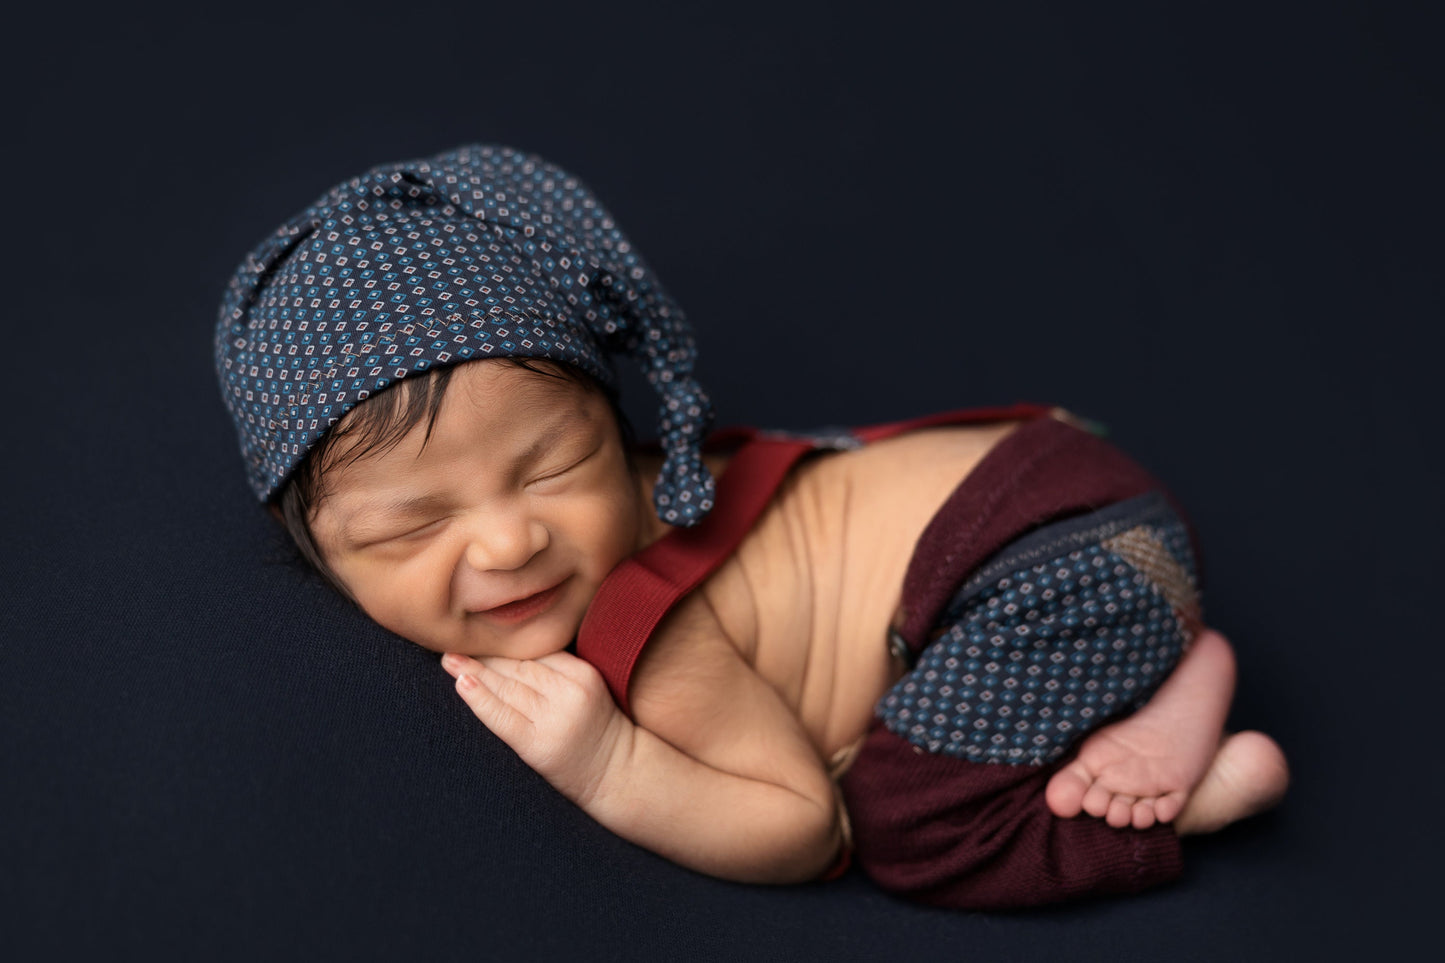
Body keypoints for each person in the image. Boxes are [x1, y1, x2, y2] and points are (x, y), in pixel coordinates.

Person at [216, 144, 1288, 909]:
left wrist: (605, 765)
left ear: (621, 429)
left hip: (1057, 562)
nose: (506, 545)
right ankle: (1162, 649)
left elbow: (801, 829)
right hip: (1051, 484)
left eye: (555, 467)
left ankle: (1186, 771)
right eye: (412, 528)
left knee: (910, 825)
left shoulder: (645, 623)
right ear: (312, 550)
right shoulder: (607, 511)